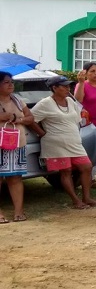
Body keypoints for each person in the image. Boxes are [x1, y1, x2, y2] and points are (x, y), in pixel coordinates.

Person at [31, 75, 96, 209]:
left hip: (73, 141)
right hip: (55, 143)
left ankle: (87, 197)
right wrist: (41, 133)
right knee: (66, 171)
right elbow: (30, 118)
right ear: (54, 88)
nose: (68, 88)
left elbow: (77, 118)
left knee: (86, 167)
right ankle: (75, 200)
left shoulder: (70, 100)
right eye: (64, 86)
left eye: (69, 85)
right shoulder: (45, 103)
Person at [0, 71, 34, 222]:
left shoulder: (18, 100)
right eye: (6, 82)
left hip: (17, 143)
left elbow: (30, 118)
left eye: (11, 82)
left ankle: (18, 212)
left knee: (15, 177)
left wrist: (18, 119)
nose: (10, 85)